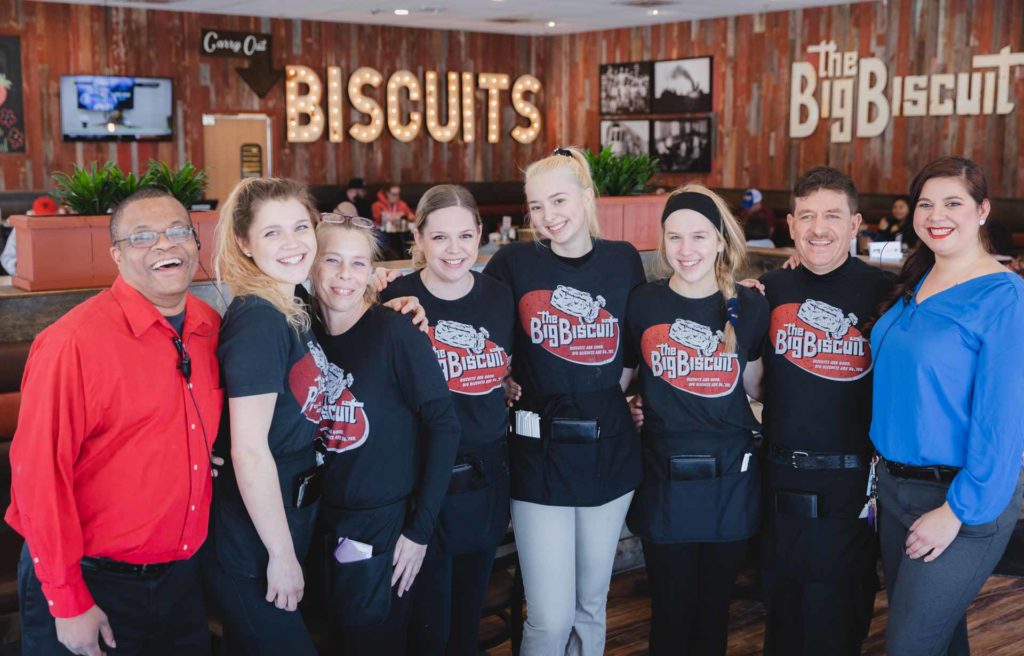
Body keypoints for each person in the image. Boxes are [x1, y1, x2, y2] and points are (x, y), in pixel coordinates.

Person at [8, 187, 222, 655]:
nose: (164, 245)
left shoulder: (210, 327)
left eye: (177, 231)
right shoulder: (72, 343)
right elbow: (39, 480)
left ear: (195, 242)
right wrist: (67, 601)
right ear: (116, 255)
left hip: (181, 581)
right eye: (142, 237)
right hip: (90, 581)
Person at [483, 147, 647, 655]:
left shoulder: (622, 259)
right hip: (538, 453)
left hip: (609, 450)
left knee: (590, 607)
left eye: (558, 200)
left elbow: (635, 347)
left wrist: (623, 395)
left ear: (586, 196)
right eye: (536, 206)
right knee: (550, 619)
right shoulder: (513, 263)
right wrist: (397, 285)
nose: (548, 216)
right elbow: (471, 319)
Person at [869, 156, 1024, 656]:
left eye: (953, 203)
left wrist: (956, 511)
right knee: (940, 639)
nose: (937, 215)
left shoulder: (1005, 297)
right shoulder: (916, 281)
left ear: (982, 211)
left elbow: (1003, 423)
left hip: (960, 499)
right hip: (895, 490)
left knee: (909, 646)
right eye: (926, 204)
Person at [625, 185, 768, 655]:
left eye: (699, 236)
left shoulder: (750, 306)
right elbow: (619, 379)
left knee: (713, 613)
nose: (686, 249)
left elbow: (756, 387)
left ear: (721, 240)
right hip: (664, 478)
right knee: (669, 612)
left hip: (729, 479)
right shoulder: (642, 302)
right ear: (663, 241)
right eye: (675, 237)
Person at [757, 167, 892, 656]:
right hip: (778, 477)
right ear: (791, 225)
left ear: (855, 225)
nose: (819, 228)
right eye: (807, 216)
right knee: (782, 620)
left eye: (832, 216)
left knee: (836, 624)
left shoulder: (887, 293)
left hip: (850, 484)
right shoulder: (768, 290)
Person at [310, 215, 460, 655]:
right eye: (332, 260)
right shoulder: (301, 331)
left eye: (358, 263)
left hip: (381, 527)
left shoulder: (396, 332)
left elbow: (444, 425)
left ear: (371, 273)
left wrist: (419, 532)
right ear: (311, 264)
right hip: (315, 521)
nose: (345, 274)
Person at [381, 185, 515, 656]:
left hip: (487, 473)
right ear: (418, 238)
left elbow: (510, 366)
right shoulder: (395, 297)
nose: (454, 249)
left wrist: (509, 381)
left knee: (466, 624)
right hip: (420, 481)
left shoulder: (500, 297)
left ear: (480, 234)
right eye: (439, 237)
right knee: (427, 629)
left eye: (464, 235)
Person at [203, 177, 332, 655]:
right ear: (244, 242)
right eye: (272, 232)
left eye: (300, 227)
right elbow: (249, 450)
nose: (292, 243)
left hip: (288, 514)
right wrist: (280, 554)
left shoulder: (292, 303)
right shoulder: (258, 320)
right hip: (251, 536)